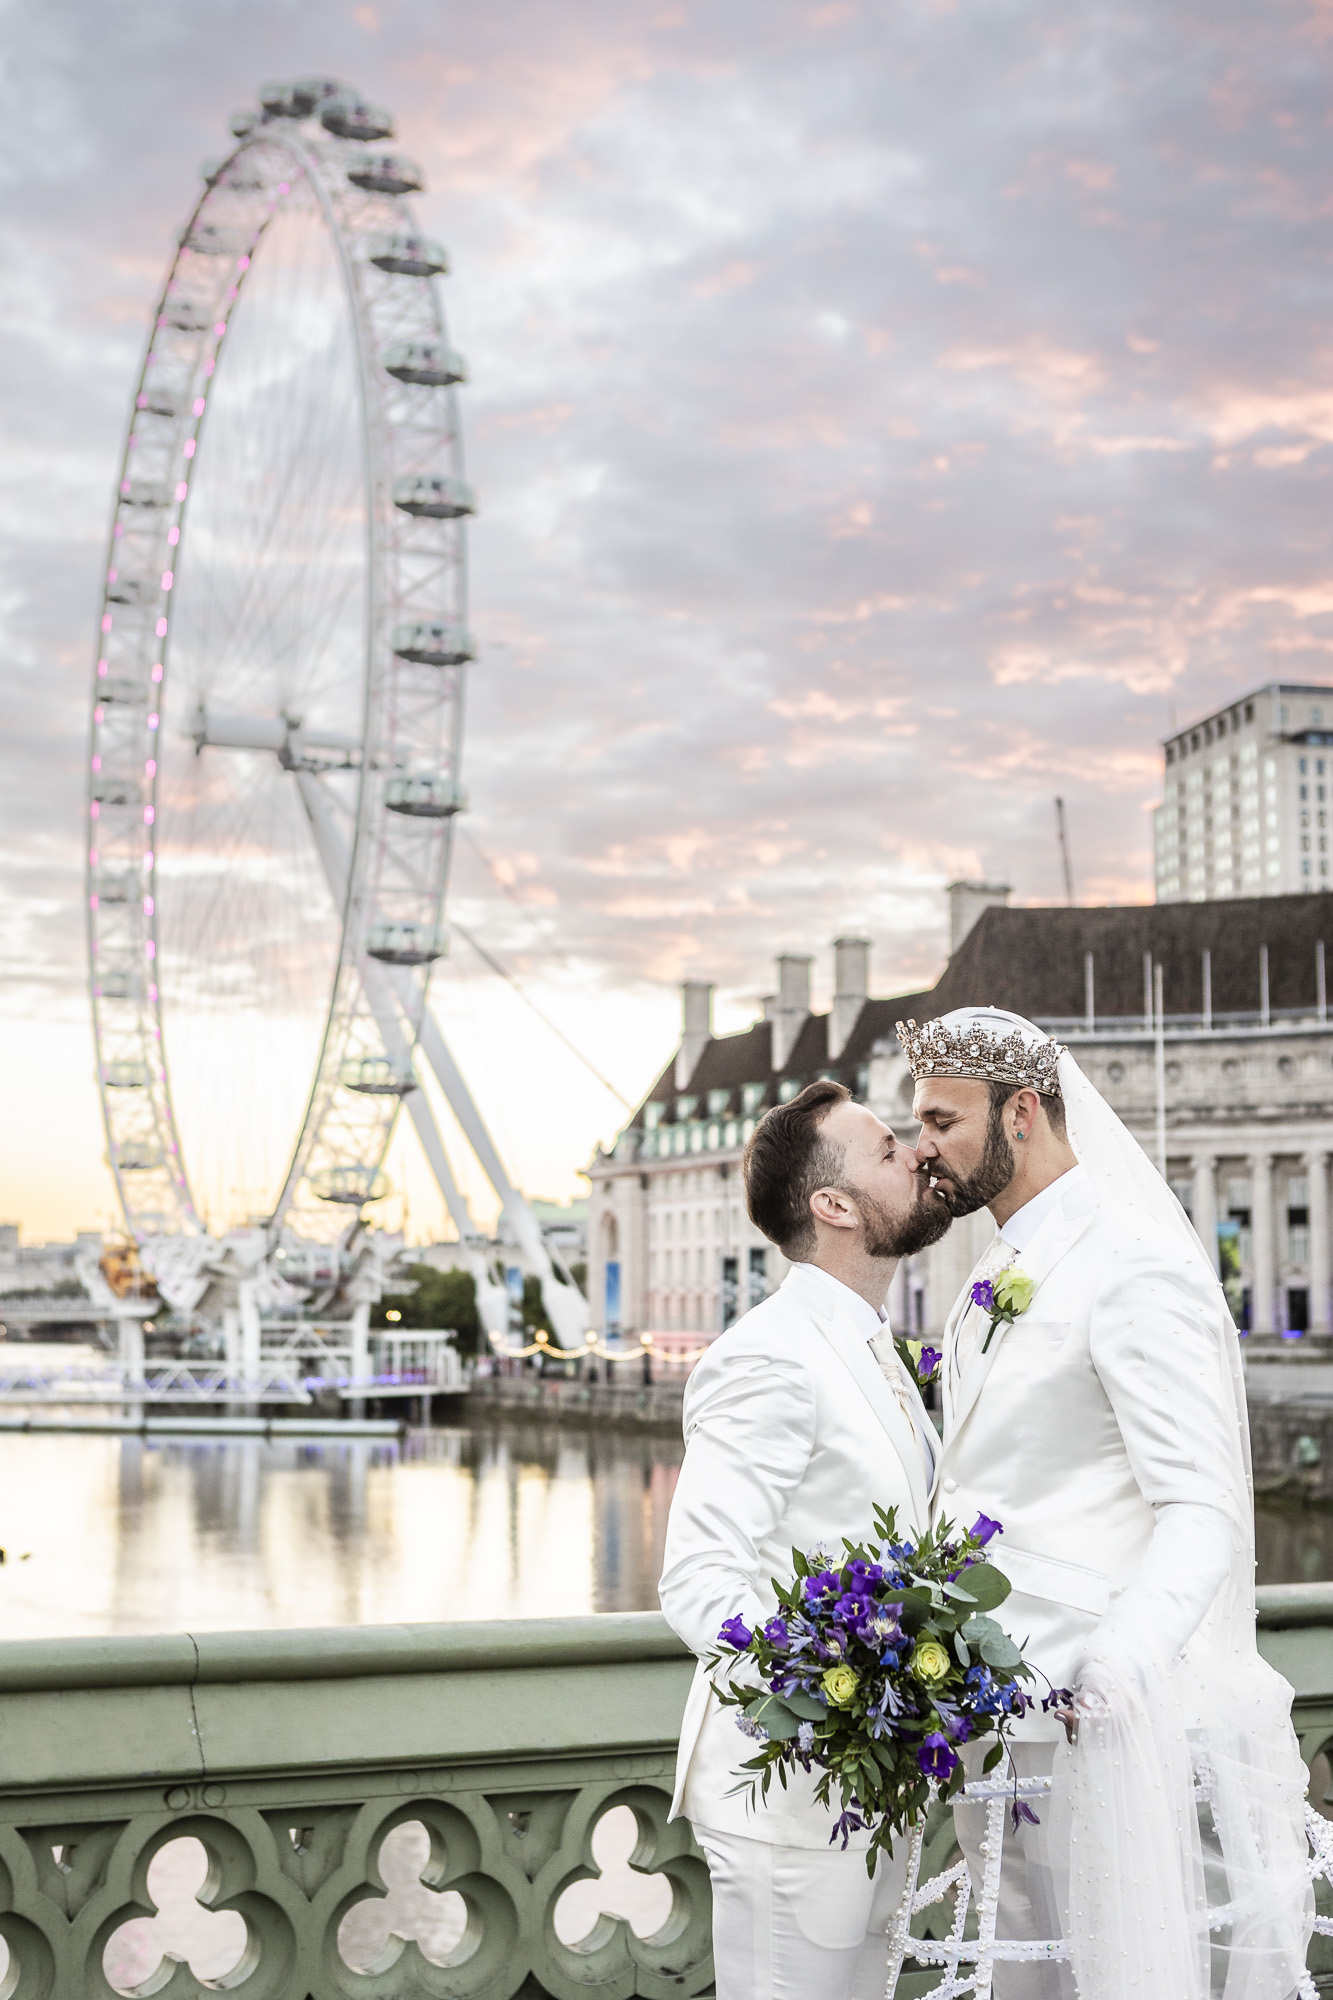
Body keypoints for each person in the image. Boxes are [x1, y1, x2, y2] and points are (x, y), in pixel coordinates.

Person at [899, 1005, 1312, 2000]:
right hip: (986, 1715)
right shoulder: (990, 1273)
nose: (923, 1150)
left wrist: (1120, 1658)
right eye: (918, 1124)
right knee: (1017, 1981)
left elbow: (1201, 1505)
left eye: (942, 1121)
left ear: (1021, 1116)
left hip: (1093, 1719)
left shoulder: (1135, 1262)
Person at [658, 1079, 952, 2000]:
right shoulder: (769, 1355)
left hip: (869, 1787)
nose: (917, 1153)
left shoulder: (869, 1348)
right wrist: (844, 1701)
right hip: (787, 1802)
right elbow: (700, 1583)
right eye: (885, 1149)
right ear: (832, 1206)